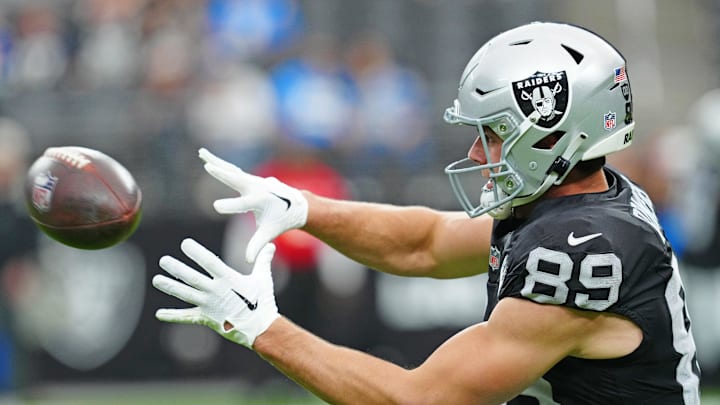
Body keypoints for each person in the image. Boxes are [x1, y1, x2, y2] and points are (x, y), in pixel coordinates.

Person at [152, 22, 701, 404]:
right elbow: (426, 243)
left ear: (554, 134)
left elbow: (420, 399)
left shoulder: (582, 251)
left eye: (493, 134)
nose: (477, 154)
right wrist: (302, 207)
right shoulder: (576, 202)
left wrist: (260, 327)